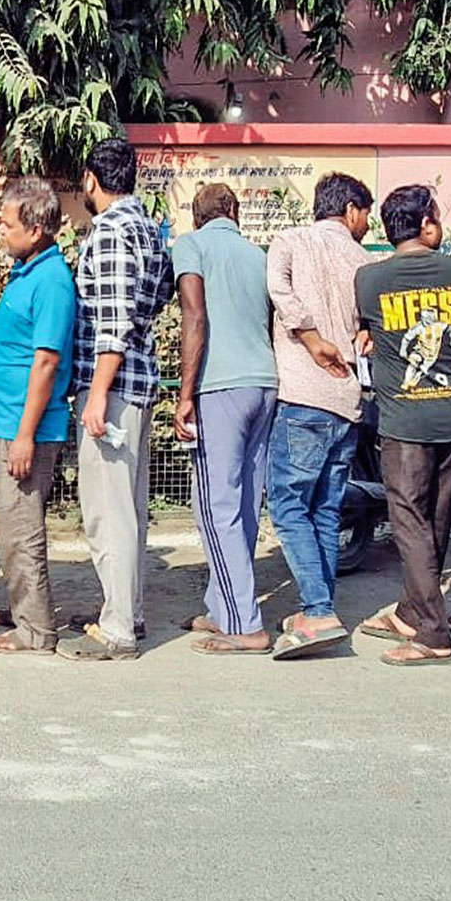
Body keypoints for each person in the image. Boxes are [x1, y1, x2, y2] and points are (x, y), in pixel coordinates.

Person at [59, 138, 173, 662]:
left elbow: (113, 321)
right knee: (129, 507)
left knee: (108, 511)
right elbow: (156, 298)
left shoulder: (108, 231)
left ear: (90, 180)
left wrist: (97, 394)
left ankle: (119, 627)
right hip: (139, 380)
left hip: (114, 385)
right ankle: (128, 610)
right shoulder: (148, 227)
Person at [353, 185, 451, 666]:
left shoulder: (370, 279)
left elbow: (366, 332)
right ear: (425, 223)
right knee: (437, 520)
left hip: (403, 419)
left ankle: (432, 633)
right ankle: (410, 609)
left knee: (409, 522)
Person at [263, 172, 373, 659]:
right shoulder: (364, 260)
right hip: (347, 399)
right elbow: (371, 324)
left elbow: (278, 292)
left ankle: (318, 609)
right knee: (325, 511)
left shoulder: (288, 241)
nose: (366, 224)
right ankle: (320, 609)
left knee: (288, 508)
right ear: (350, 210)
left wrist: (308, 338)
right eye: (365, 214)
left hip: (303, 395)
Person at [171, 183, 281, 655]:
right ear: (234, 211)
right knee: (244, 506)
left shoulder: (190, 245)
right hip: (265, 381)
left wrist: (184, 392)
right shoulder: (259, 255)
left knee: (215, 508)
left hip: (220, 386)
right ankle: (223, 606)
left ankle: (244, 623)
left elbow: (195, 317)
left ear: (197, 217)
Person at [0, 178, 78, 655]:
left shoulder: (52, 280)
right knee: (14, 528)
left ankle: (35, 629)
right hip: (10, 423)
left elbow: (46, 362)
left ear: (36, 229)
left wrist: (24, 436)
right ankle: (25, 610)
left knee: (22, 531)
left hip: (28, 429)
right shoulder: (29, 272)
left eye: (8, 225)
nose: (1, 232)